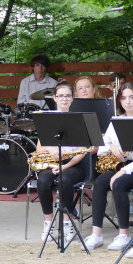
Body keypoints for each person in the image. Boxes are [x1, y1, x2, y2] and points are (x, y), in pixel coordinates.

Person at [85, 83, 133, 250]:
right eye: (123, 98)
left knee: (118, 183)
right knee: (100, 183)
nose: (127, 102)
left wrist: (124, 171)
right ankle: (97, 234)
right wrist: (112, 148)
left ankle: (124, 234)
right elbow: (101, 148)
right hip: (122, 165)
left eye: (131, 97)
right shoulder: (116, 120)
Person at [33, 81, 88, 245]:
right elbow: (38, 148)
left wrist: (65, 166)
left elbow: (83, 150)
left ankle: (67, 222)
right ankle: (48, 223)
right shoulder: (47, 119)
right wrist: (50, 150)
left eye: (68, 96)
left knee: (65, 180)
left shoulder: (78, 119)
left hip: (74, 164)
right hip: (52, 162)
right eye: (61, 96)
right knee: (42, 181)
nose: (64, 99)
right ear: (55, 98)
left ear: (72, 99)